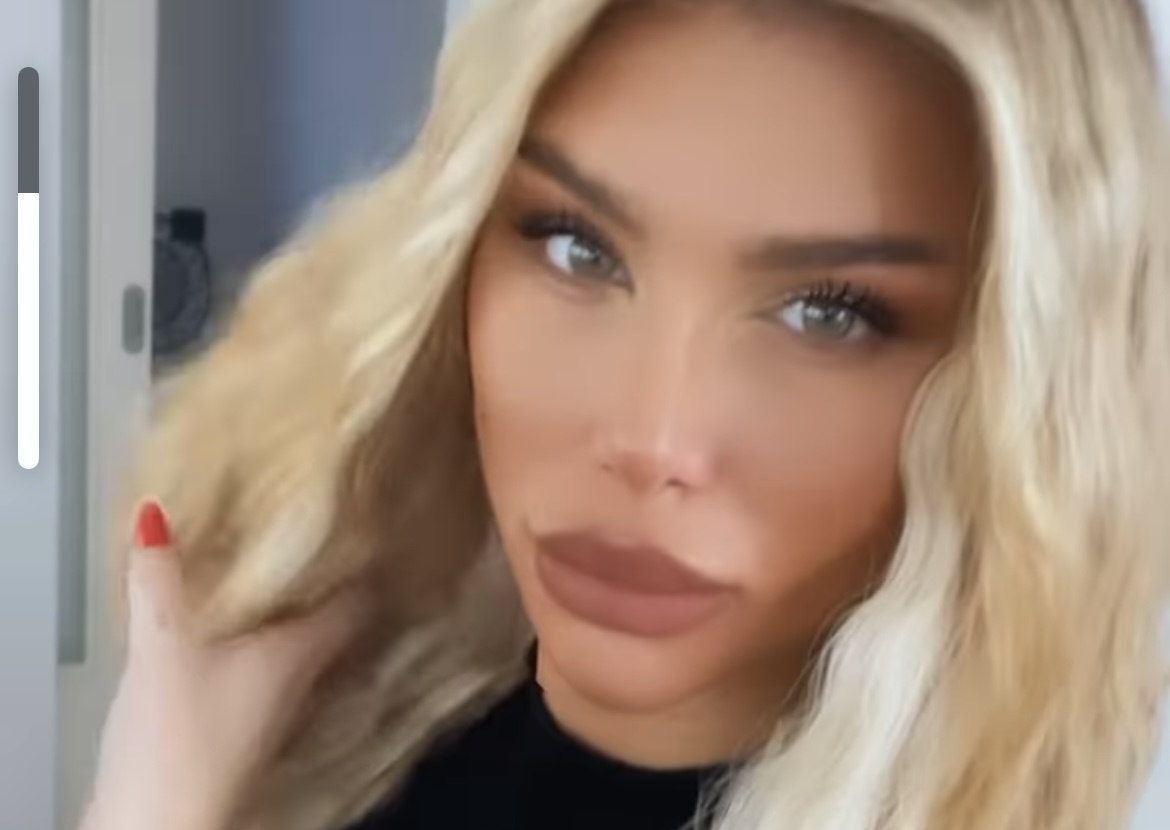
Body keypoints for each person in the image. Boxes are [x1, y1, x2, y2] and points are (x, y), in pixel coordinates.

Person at [80, 1, 1170, 829]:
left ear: (1013, 388)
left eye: (828, 313)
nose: (652, 438)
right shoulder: (371, 734)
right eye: (576, 247)